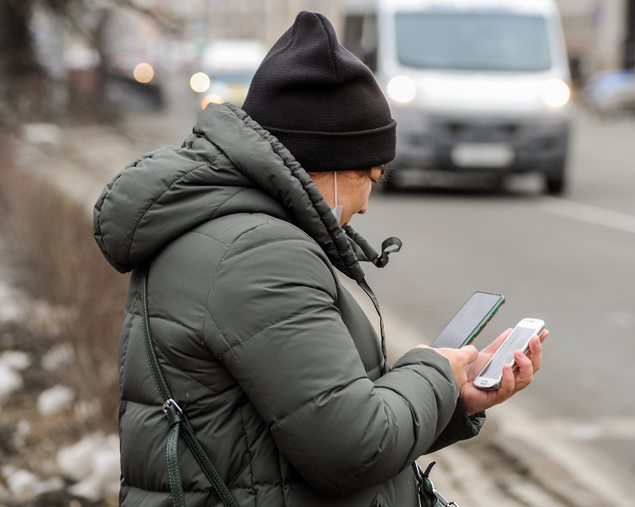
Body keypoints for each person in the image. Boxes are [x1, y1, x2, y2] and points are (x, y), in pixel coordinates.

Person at [93, 11, 547, 507]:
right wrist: (435, 370)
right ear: (322, 161)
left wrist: (456, 400)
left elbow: (296, 433)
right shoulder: (256, 254)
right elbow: (354, 450)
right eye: (370, 176)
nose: (367, 203)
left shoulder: (227, 232)